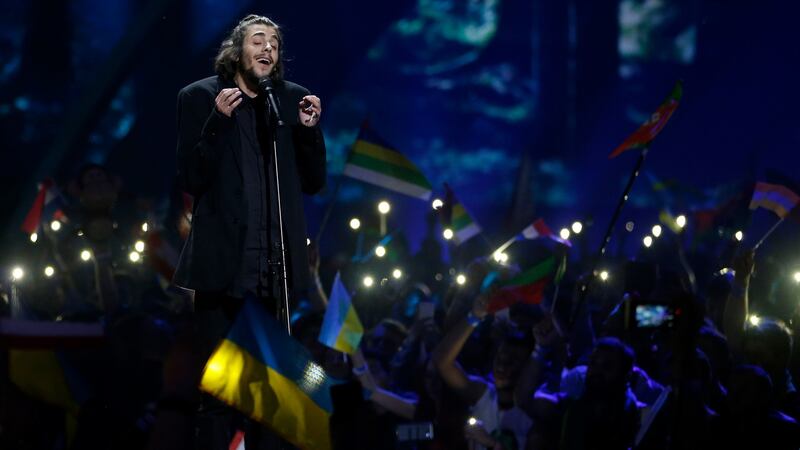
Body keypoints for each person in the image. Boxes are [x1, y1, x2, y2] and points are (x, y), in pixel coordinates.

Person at [150, 14, 326, 450]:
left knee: (273, 387)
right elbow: (192, 176)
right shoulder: (200, 97)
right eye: (258, 40)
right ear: (237, 51)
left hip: (276, 269)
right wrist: (218, 123)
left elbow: (314, 181)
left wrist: (309, 133)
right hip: (221, 268)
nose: (268, 49)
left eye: (275, 44)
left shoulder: (292, 100)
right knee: (220, 387)